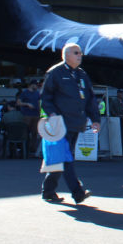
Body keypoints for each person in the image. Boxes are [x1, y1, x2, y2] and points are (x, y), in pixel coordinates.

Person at [39, 43, 99, 204]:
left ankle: (48, 191)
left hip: (76, 123)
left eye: (80, 53)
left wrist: (95, 119)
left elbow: (90, 99)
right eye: (76, 53)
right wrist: (52, 114)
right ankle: (77, 192)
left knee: (62, 158)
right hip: (61, 124)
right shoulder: (55, 73)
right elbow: (46, 98)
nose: (80, 55)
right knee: (67, 157)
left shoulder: (81, 74)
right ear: (66, 55)